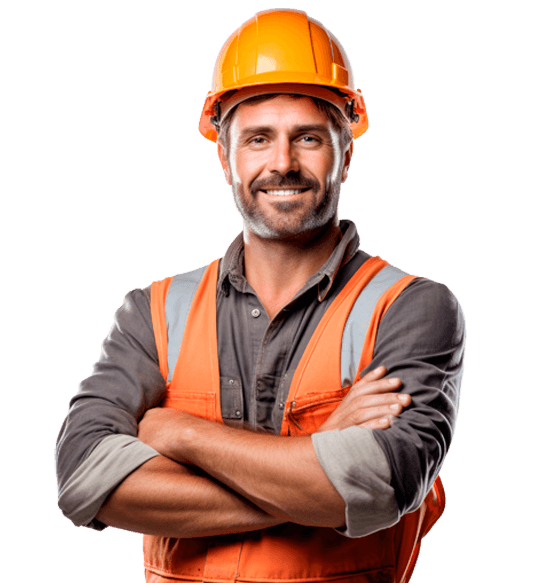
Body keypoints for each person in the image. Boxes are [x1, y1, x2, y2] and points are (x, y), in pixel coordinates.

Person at [55, 8, 465, 583]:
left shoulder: (409, 309)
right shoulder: (154, 313)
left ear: (346, 155)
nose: (282, 163)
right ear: (225, 158)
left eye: (308, 138)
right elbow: (83, 480)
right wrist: (318, 459)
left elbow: (378, 485)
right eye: (257, 139)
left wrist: (179, 434)